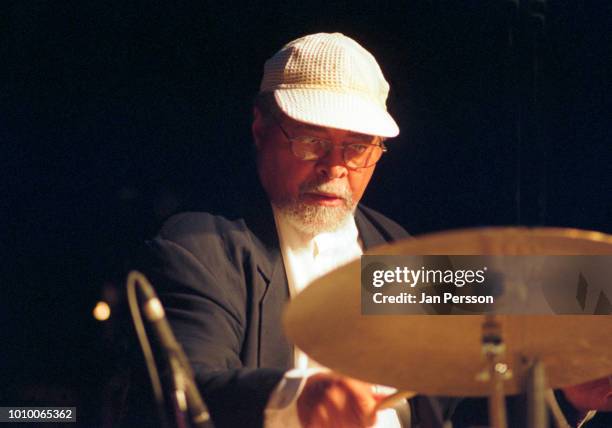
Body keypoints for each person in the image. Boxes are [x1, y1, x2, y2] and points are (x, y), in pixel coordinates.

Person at [126, 33, 611, 428]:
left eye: (356, 148)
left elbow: (454, 412)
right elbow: (188, 392)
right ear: (260, 129)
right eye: (312, 141)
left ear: (379, 150)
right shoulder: (200, 245)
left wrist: (568, 395)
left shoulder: (394, 250)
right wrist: (300, 394)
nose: (334, 168)